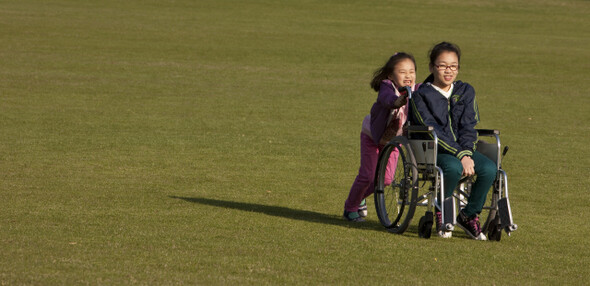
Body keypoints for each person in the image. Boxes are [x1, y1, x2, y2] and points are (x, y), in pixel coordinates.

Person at [410, 42, 496, 240]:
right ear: (432, 67)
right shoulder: (421, 96)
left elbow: (468, 126)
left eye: (453, 66)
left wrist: (466, 152)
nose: (448, 71)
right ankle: (442, 209)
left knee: (489, 169)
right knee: (453, 168)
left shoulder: (465, 91)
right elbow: (434, 130)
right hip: (434, 150)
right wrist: (461, 156)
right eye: (442, 66)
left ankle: (468, 215)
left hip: (463, 149)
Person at [343, 52, 419, 222]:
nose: (408, 76)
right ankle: (350, 208)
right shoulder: (388, 86)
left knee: (386, 179)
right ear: (391, 75)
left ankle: (360, 197)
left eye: (412, 71)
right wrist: (396, 101)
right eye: (402, 72)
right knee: (367, 176)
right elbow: (385, 98)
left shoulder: (417, 89)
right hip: (372, 136)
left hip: (393, 141)